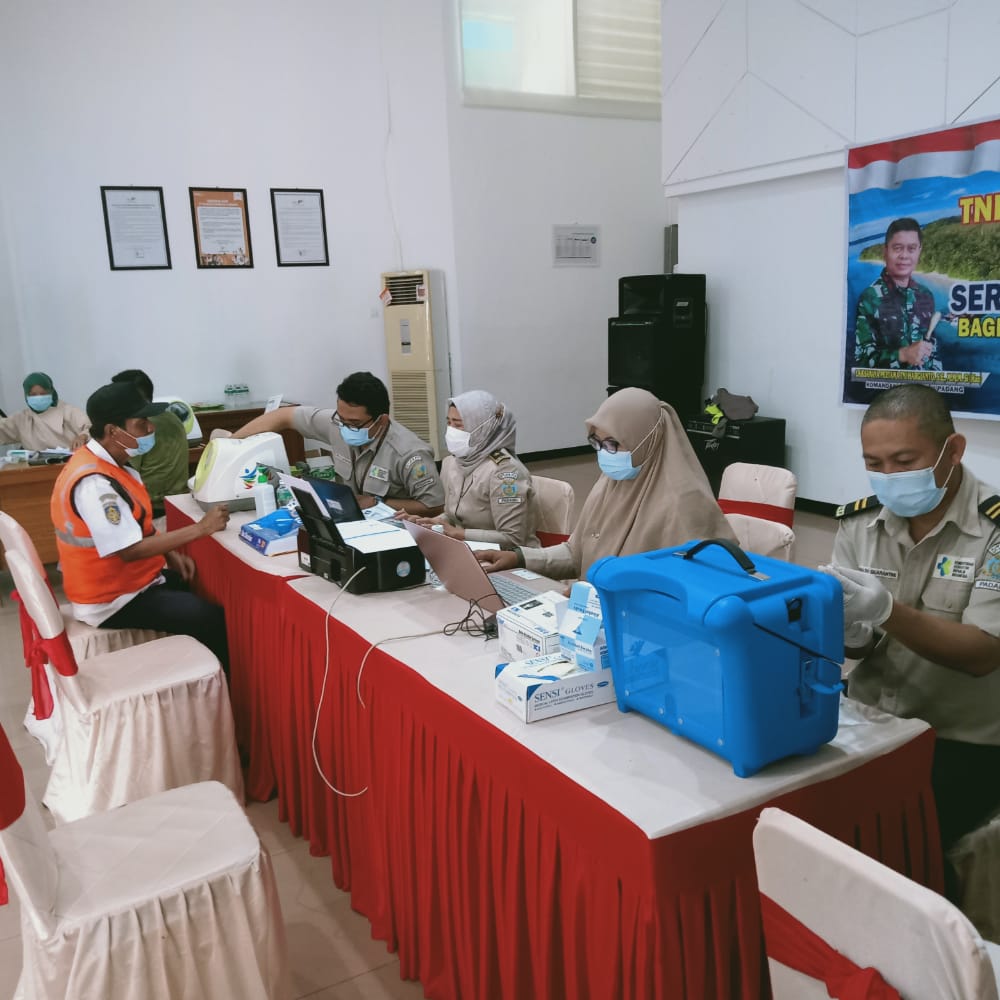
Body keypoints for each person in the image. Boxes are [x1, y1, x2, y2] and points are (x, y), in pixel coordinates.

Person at [825, 384, 1000, 858]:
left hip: (958, 740)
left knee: (891, 848)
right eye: (874, 463)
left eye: (904, 462)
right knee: (795, 813)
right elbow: (859, 649)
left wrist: (885, 611)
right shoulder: (858, 523)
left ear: (954, 450)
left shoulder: (994, 532)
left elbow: (984, 653)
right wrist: (848, 629)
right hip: (868, 718)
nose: (888, 477)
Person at [50, 381, 231, 669]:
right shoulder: (95, 484)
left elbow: (137, 525)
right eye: (141, 423)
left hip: (130, 582)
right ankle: (227, 699)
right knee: (211, 618)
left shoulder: (115, 465)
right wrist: (201, 528)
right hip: (111, 599)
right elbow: (130, 550)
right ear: (113, 431)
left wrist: (170, 554)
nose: (150, 429)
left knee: (193, 585)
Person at [477, 387, 735, 581]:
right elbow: (576, 553)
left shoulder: (685, 505)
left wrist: (600, 594)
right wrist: (519, 557)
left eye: (614, 444)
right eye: (597, 444)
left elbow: (687, 591)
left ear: (649, 440)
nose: (604, 453)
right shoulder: (610, 483)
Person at [232, 371, 444, 516]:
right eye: (342, 420)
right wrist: (230, 444)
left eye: (355, 423)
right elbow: (284, 416)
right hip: (346, 519)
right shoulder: (336, 423)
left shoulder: (409, 453)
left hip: (396, 530)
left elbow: (434, 506)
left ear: (382, 420)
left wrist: (379, 503)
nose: (345, 428)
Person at [397, 390, 539, 547]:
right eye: (449, 423)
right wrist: (435, 522)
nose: (451, 431)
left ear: (482, 429)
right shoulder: (452, 463)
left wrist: (459, 533)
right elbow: (456, 516)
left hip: (509, 558)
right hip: (467, 549)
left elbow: (512, 539)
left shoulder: (505, 472)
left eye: (458, 425)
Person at [853, 217, 940, 371]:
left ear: (919, 251)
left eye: (911, 248)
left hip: (924, 389)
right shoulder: (870, 298)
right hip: (889, 393)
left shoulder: (926, 295)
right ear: (885, 251)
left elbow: (933, 350)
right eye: (897, 248)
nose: (904, 256)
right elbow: (861, 362)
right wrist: (903, 355)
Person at [110, 369, 190, 521]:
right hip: (178, 504)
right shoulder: (171, 417)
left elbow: (119, 472)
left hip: (151, 509)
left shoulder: (137, 427)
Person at [0, 372, 89, 451]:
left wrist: (83, 436)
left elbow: (92, 428)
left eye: (43, 394)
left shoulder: (67, 411)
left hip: (69, 463)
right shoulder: (22, 419)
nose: (38, 397)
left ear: (51, 392)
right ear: (26, 396)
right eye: (33, 395)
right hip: (36, 467)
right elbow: (3, 431)